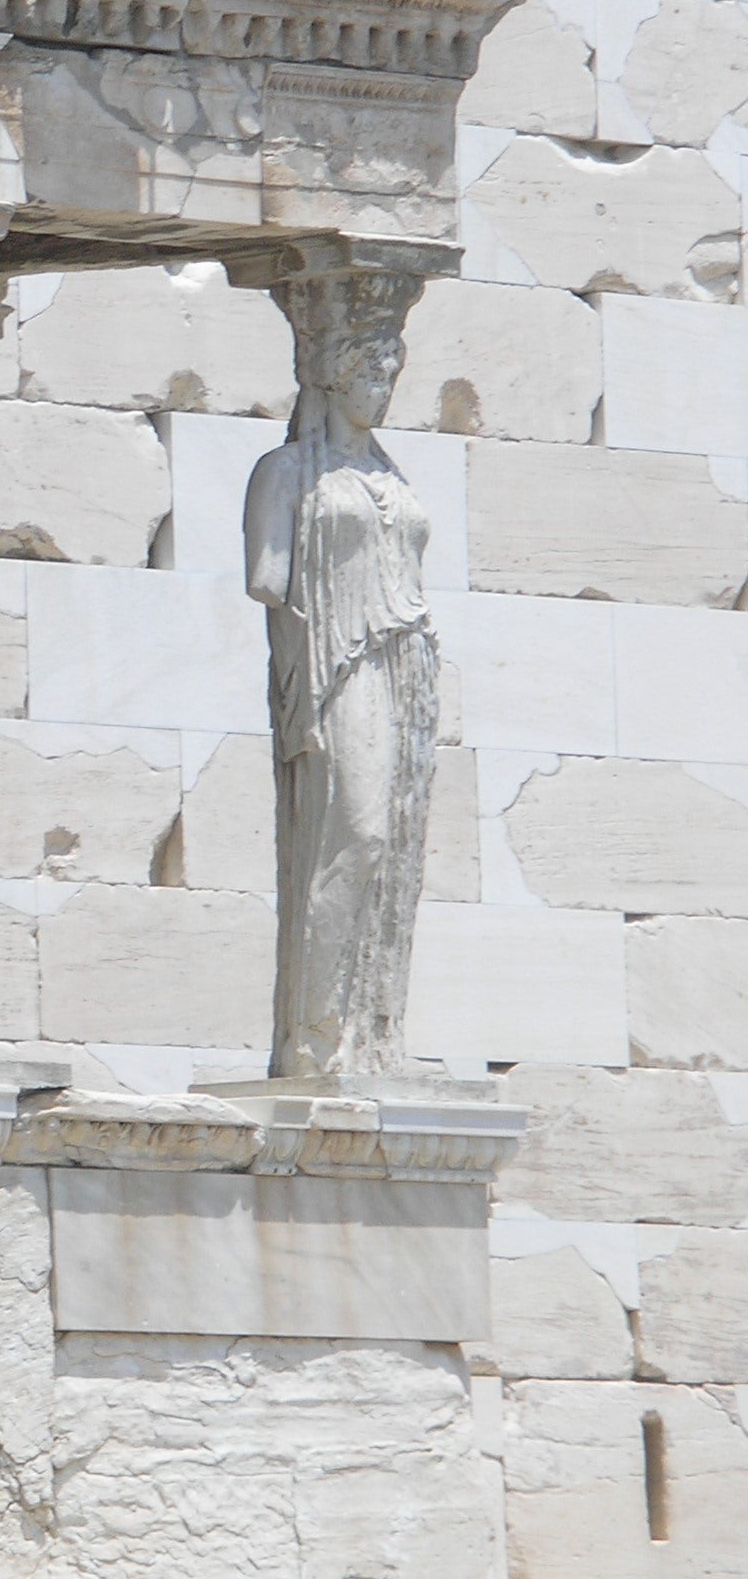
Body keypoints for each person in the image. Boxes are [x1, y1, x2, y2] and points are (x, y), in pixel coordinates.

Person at [243, 292, 436, 1079]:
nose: (382, 387)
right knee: (351, 832)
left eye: (391, 370)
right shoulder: (284, 472)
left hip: (405, 662)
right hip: (336, 665)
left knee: (390, 842)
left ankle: (367, 1034)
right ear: (331, 376)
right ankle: (312, 1031)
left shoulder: (391, 473)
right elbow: (268, 579)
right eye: (369, 370)